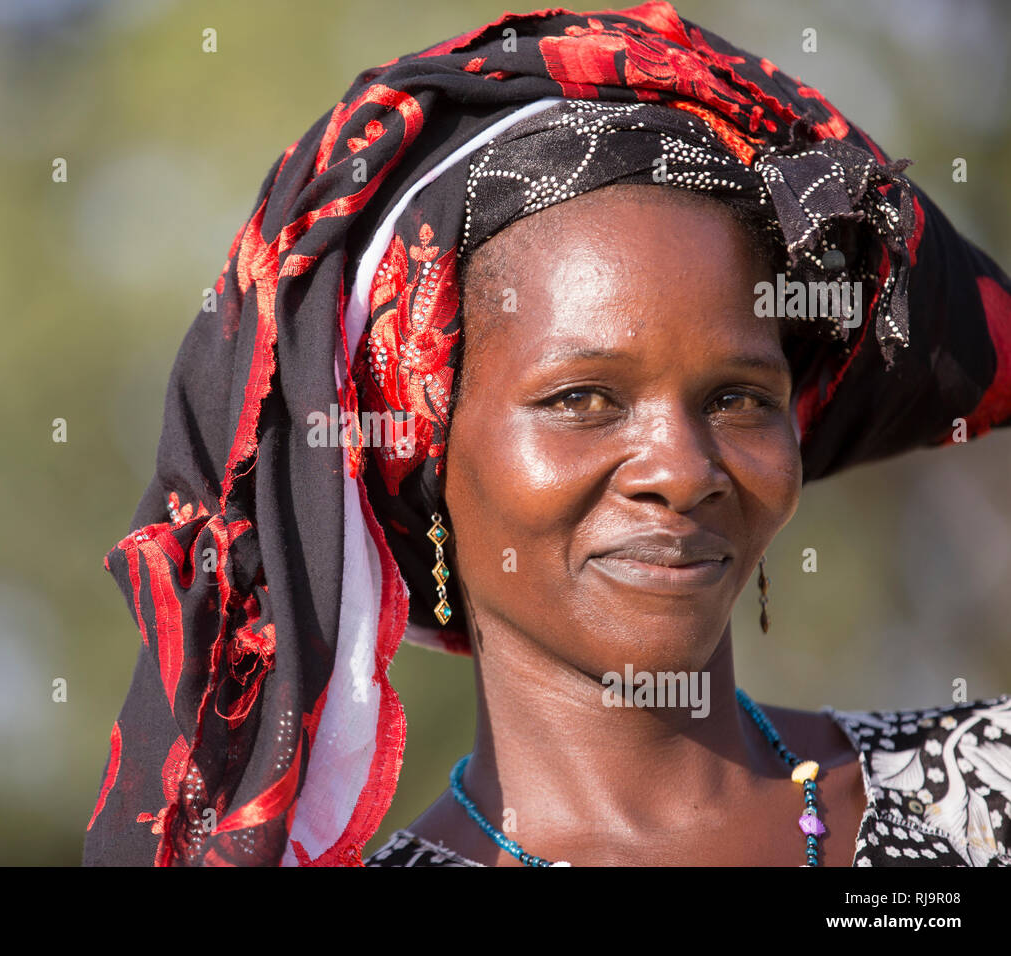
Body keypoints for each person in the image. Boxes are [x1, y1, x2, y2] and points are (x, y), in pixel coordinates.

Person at [81, 3, 1011, 867]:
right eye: (583, 400)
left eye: (736, 399)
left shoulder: (981, 799)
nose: (683, 470)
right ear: (425, 454)